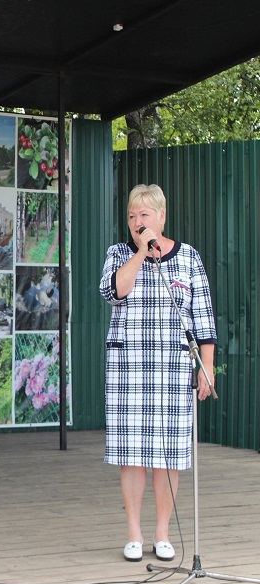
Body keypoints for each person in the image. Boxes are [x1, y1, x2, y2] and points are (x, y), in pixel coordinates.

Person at [100, 184, 216, 563]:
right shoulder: (118, 253)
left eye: (144, 216)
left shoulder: (189, 259)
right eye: (132, 216)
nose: (137, 222)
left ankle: (162, 534)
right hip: (129, 368)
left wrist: (207, 366)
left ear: (161, 217)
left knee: (169, 457)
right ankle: (133, 533)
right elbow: (114, 292)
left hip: (173, 369)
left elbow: (203, 319)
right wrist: (140, 253)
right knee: (132, 454)